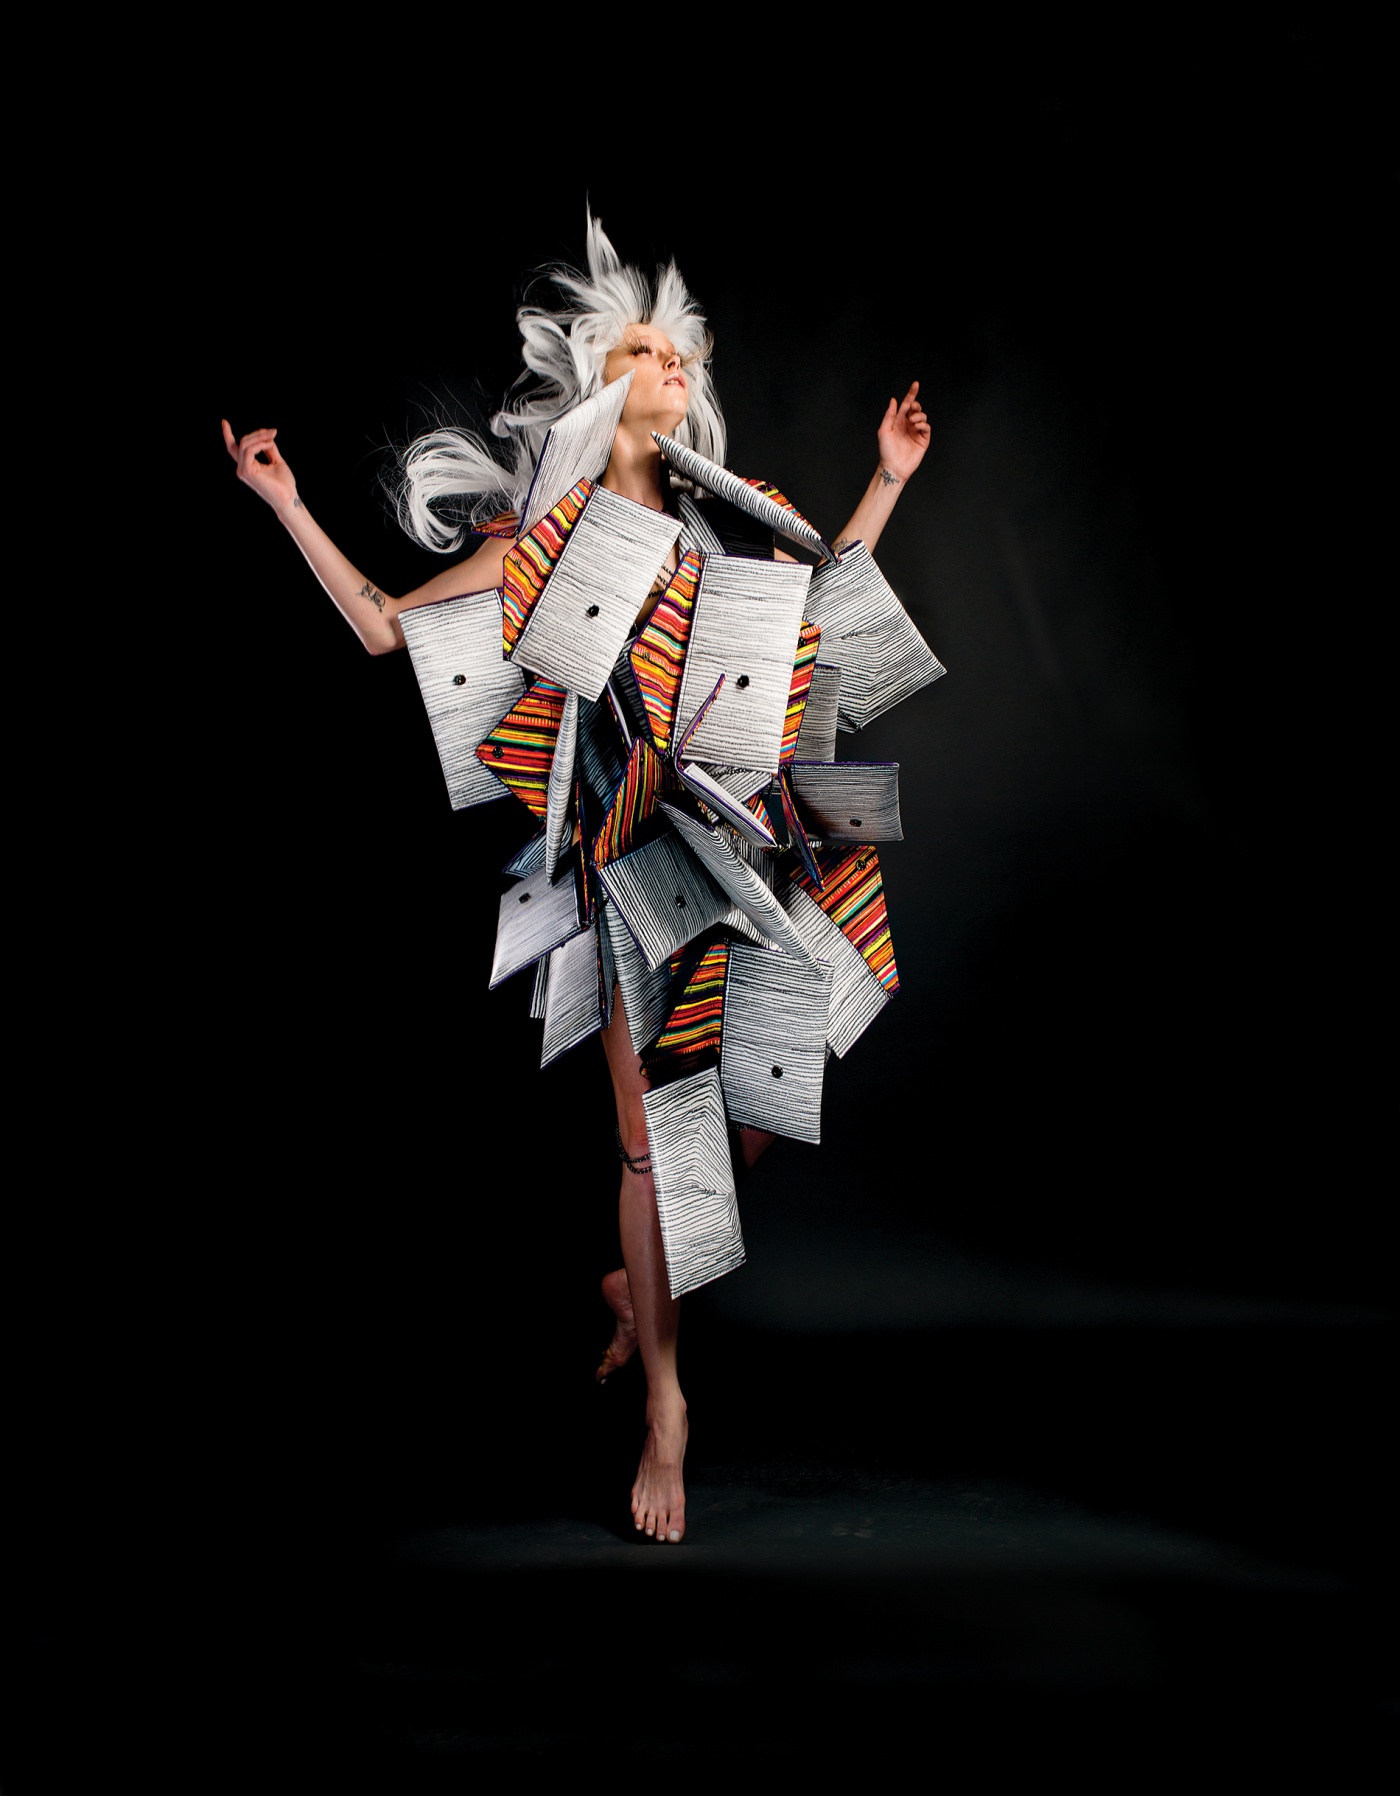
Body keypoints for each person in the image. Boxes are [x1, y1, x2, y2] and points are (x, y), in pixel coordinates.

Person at [223, 214, 931, 1545]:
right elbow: (386, 629)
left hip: (749, 834)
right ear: (604, 384)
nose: (672, 363)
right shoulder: (545, 544)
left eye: (678, 351)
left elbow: (825, 611)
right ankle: (666, 1399)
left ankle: (635, 1283)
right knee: (650, 1142)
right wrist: (286, 503)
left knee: (782, 1076)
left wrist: (887, 479)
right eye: (643, 348)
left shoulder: (724, 526)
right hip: (624, 859)